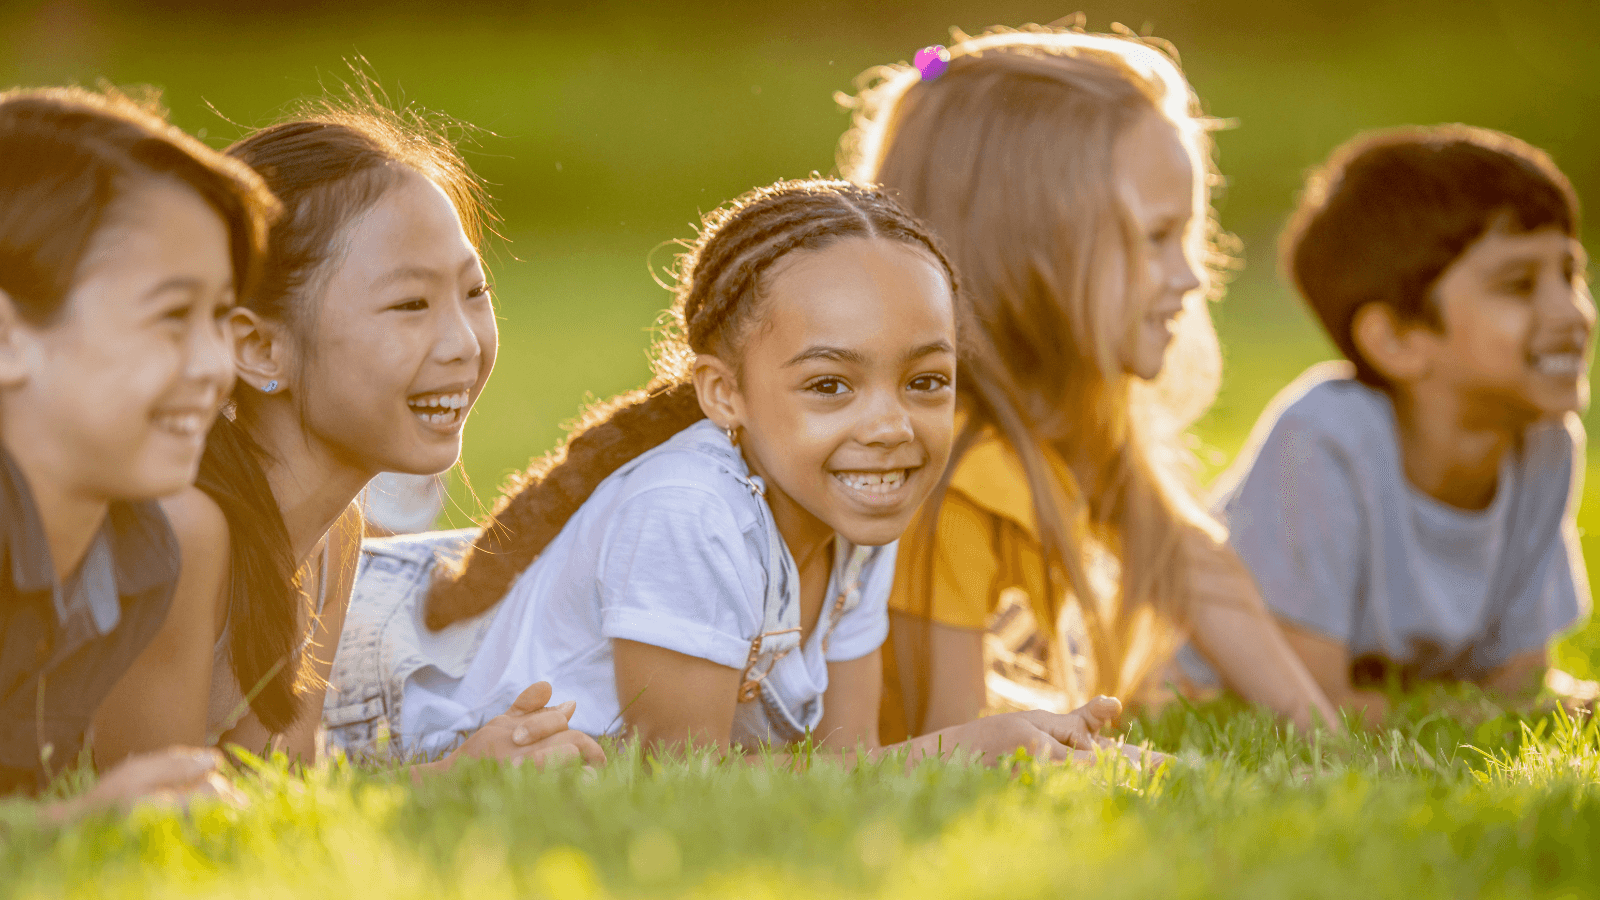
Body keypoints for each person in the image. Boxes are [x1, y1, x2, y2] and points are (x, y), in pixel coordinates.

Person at [327, 178, 1140, 767]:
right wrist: (961, 750)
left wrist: (1031, 752)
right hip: (357, 695)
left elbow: (845, 763)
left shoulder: (857, 506)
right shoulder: (689, 510)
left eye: (926, 381)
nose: (891, 426)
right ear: (725, 393)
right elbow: (686, 781)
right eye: (831, 385)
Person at [837, 24, 1341, 741]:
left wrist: (1324, 738)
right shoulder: (952, 472)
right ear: (1033, 247)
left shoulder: (1068, 420)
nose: (1192, 276)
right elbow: (949, 745)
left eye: (1188, 236)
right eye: (1157, 237)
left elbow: (1189, 564)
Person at [92, 89, 604, 774]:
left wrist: (466, 770)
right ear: (259, 347)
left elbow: (275, 793)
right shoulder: (182, 528)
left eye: (474, 292)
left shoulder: (334, 533)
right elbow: (158, 821)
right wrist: (445, 782)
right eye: (410, 304)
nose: (461, 342)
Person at [1207, 125, 1593, 720]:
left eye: (1571, 274)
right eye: (1519, 285)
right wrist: (1495, 715)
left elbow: (1517, 684)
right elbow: (1315, 705)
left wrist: (1530, 708)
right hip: (1150, 671)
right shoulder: (1324, 439)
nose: (1571, 313)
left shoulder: (1545, 441)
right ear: (1396, 339)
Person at [0, 86, 276, 810]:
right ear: (8, 337)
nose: (217, 363)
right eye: (171, 316)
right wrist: (78, 822)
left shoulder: (135, 554)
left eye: (219, 315)